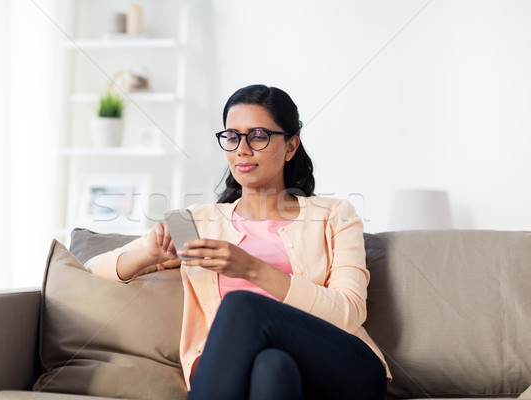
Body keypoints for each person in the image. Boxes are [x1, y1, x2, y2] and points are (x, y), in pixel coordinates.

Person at [85, 84, 391, 399]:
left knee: (243, 306)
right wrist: (149, 255)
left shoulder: (336, 213)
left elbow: (349, 313)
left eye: (258, 136)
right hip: (248, 370)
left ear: (290, 146)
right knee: (272, 367)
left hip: (342, 366)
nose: (242, 149)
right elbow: (92, 267)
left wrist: (251, 268)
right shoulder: (196, 220)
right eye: (232, 137)